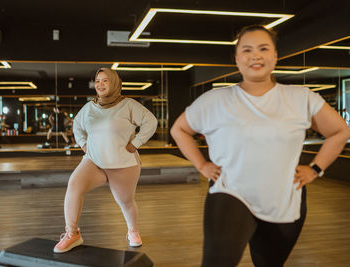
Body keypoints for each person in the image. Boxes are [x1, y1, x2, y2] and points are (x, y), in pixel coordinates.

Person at [170, 25, 350, 267]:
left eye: (263, 48)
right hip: (231, 191)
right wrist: (201, 165)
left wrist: (315, 169)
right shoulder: (214, 101)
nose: (255, 55)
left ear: (275, 56)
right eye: (247, 50)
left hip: (283, 198)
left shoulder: (302, 98)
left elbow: (340, 131)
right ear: (237, 59)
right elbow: (178, 130)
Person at [53, 68, 157, 253]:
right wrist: (84, 144)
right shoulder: (89, 107)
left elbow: (151, 121)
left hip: (123, 163)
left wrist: (136, 143)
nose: (100, 84)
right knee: (74, 186)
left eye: (105, 81)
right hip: (94, 161)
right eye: (97, 81)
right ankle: (72, 233)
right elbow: (77, 125)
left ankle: (132, 230)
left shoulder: (128, 105)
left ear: (115, 83)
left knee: (125, 201)